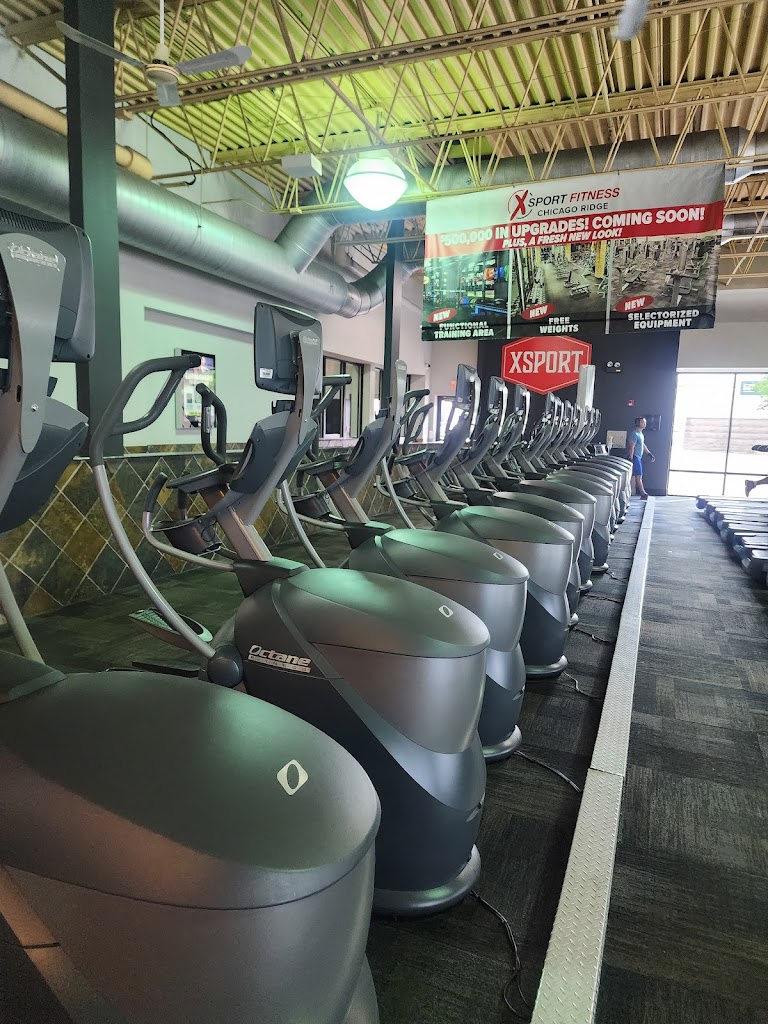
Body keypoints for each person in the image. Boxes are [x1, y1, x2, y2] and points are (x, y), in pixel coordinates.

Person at [627, 416, 655, 499]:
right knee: (638, 476)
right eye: (643, 422)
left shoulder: (641, 434)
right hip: (635, 457)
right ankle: (643, 493)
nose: (645, 424)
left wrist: (649, 454)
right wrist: (630, 458)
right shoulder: (634, 434)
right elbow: (631, 446)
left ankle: (642, 493)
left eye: (645, 422)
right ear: (637, 423)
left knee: (638, 475)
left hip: (639, 457)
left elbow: (642, 445)